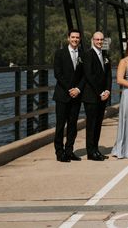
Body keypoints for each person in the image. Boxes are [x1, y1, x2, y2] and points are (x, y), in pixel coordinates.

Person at [79, 31, 112, 161]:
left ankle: (96, 150)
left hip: (103, 95)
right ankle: (90, 152)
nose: (99, 42)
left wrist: (108, 90)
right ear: (92, 40)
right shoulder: (87, 54)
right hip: (91, 96)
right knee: (91, 124)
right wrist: (100, 92)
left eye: (101, 40)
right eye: (97, 39)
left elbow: (108, 75)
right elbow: (89, 75)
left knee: (98, 124)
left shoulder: (105, 55)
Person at [52, 29, 84, 162]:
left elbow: (84, 75)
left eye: (77, 37)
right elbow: (57, 74)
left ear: (80, 39)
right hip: (62, 95)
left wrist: (78, 89)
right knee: (60, 125)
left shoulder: (83, 54)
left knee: (72, 125)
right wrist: (70, 88)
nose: (75, 39)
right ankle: (59, 153)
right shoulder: (59, 53)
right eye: (73, 37)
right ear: (68, 38)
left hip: (76, 95)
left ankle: (69, 151)